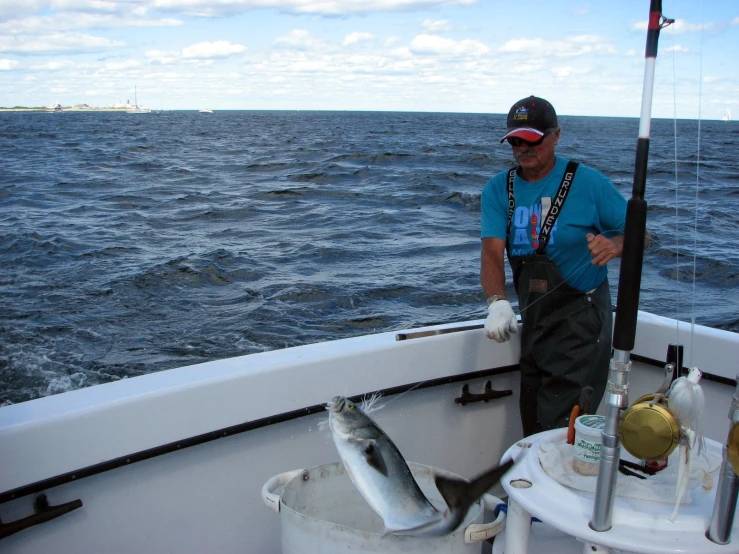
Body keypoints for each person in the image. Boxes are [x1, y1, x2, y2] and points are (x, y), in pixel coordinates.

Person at [480, 95, 627, 437]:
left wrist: (617, 245)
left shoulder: (589, 183)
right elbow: (491, 253)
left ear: (556, 136)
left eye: (533, 139)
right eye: (516, 140)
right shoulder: (498, 189)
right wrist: (497, 302)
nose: (523, 148)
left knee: (562, 431)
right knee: (532, 425)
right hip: (535, 324)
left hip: (581, 324)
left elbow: (641, 233)